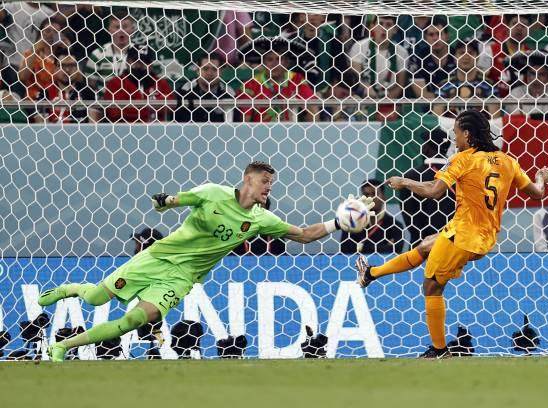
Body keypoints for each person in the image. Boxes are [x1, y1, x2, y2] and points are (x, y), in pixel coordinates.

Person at [39, 161, 374, 361]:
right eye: (264, 181)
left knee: (134, 320)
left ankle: (63, 347)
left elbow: (304, 235)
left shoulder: (261, 219)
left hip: (181, 278)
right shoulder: (213, 192)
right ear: (247, 179)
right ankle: (70, 289)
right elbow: (172, 201)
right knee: (96, 298)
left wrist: (338, 223)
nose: (268, 188)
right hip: (157, 257)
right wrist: (164, 202)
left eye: (271, 184)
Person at [355, 110, 548, 358]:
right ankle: (371, 273)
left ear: (467, 134)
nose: (454, 138)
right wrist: (540, 178)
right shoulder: (507, 161)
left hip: (463, 235)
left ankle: (439, 350)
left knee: (431, 287)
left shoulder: (462, 159)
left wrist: (405, 182)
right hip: (485, 237)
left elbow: (434, 191)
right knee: (426, 245)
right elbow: (537, 193)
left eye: (456, 132)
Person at [348, 15, 411, 120]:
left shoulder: (401, 52)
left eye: (389, 25)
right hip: (363, 97)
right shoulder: (359, 47)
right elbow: (355, 78)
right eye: (380, 24)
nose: (384, 28)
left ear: (395, 29)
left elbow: (400, 85)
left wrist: (386, 100)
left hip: (389, 100)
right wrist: (367, 89)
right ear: (372, 26)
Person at [400, 129, 455, 246]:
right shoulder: (460, 175)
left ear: (427, 148)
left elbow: (409, 215)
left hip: (422, 245)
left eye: (424, 143)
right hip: (455, 243)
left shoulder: (411, 177)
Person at [104, 46, 175, 123]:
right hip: (125, 128)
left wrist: (133, 107)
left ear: (151, 64)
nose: (140, 64)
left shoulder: (160, 83)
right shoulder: (115, 83)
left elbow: (170, 106)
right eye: (136, 60)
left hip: (155, 128)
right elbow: (115, 111)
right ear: (127, 62)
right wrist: (151, 108)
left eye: (145, 61)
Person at [341, 179, 404, 254]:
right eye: (366, 195)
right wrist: (384, 247)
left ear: (384, 198)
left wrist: (359, 247)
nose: (370, 198)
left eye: (374, 194)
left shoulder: (395, 226)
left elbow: (395, 251)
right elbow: (345, 248)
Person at [34, 53, 99, 123]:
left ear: (78, 68)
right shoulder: (45, 92)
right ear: (55, 68)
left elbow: (93, 125)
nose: (67, 70)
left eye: (72, 65)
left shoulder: (88, 91)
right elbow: (41, 125)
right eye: (62, 65)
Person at [175, 53, 236, 123]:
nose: (210, 73)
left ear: (221, 72)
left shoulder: (229, 93)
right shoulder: (183, 92)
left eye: (214, 69)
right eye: (205, 69)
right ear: (198, 70)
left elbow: (235, 124)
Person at [84, 11, 136, 91]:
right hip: (105, 98)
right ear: (109, 30)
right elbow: (90, 87)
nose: (121, 30)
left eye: (125, 27)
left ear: (133, 29)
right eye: (117, 27)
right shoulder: (98, 54)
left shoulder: (140, 53)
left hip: (135, 98)